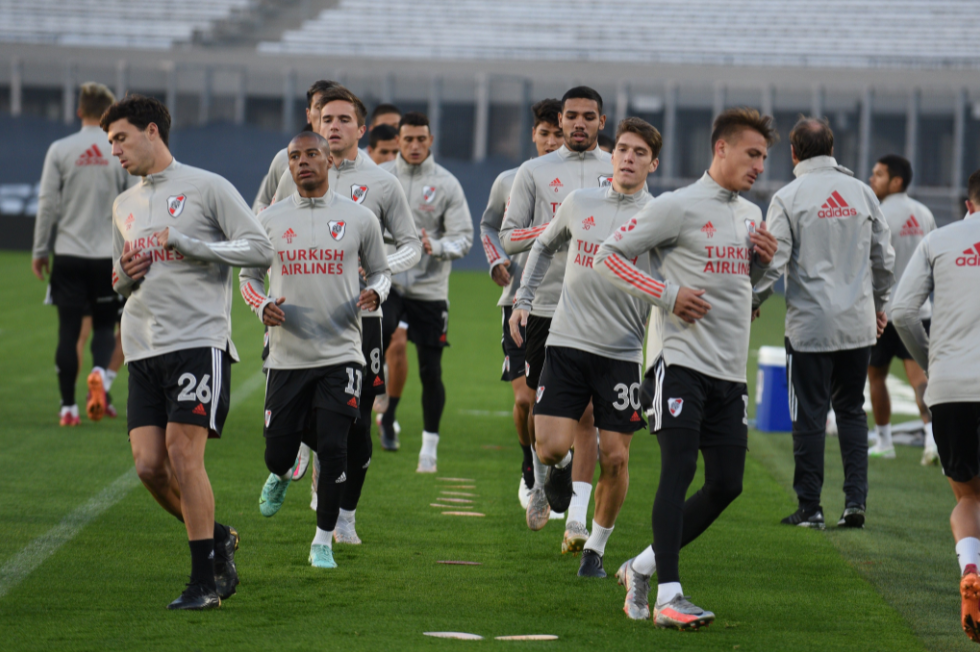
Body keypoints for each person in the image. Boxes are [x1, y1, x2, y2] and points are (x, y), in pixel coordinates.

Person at [595, 108, 778, 628]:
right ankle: (669, 597)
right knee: (679, 468)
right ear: (720, 148)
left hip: (729, 371)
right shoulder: (677, 206)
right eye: (752, 154)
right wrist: (667, 295)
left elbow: (745, 290)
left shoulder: (750, 214)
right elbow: (609, 255)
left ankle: (642, 566)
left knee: (727, 484)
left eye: (763, 156)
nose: (760, 165)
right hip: (677, 363)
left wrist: (762, 264)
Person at [103, 95, 274, 609]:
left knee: (183, 453)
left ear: (151, 131)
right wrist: (122, 278)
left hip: (197, 341)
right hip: (142, 346)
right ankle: (217, 537)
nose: (115, 150)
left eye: (120, 138)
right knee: (150, 467)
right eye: (110, 141)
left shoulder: (207, 186)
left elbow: (260, 248)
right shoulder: (124, 204)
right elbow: (117, 276)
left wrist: (188, 243)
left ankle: (203, 583)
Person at [511, 118, 662, 577]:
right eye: (623, 151)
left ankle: (595, 550)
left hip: (621, 353)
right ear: (611, 157)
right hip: (567, 342)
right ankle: (549, 477)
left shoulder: (661, 215)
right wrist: (524, 300)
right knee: (552, 447)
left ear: (653, 163)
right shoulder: (579, 203)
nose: (629, 159)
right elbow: (541, 246)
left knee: (616, 457)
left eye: (640, 153)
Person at [241, 131, 390, 568]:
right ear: (288, 165)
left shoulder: (360, 217)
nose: (302, 162)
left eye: (311, 154)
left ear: (329, 160)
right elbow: (248, 278)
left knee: (334, 447)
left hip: (342, 352)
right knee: (277, 452)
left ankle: (323, 540)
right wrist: (262, 304)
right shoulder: (268, 219)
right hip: (287, 356)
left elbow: (381, 272)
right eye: (294, 157)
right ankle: (282, 471)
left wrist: (376, 294)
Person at [754, 117, 894, 531]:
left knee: (809, 416)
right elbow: (883, 260)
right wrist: (878, 305)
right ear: (833, 149)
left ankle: (810, 507)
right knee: (852, 410)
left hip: (810, 326)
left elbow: (774, 262)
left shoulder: (788, 196)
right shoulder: (863, 193)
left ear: (794, 153)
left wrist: (751, 300)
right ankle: (855, 504)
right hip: (856, 323)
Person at [299, 87, 421, 535]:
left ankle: (346, 514)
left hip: (362, 318)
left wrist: (381, 270)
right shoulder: (290, 165)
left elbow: (410, 245)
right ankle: (308, 453)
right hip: (302, 312)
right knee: (304, 411)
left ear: (361, 129)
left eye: (344, 120)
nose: (334, 126)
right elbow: (264, 221)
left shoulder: (383, 184)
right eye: (326, 118)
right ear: (315, 122)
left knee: (358, 416)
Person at [500, 86, 611, 549]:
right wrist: (557, 228)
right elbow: (508, 238)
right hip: (544, 307)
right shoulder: (534, 172)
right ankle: (549, 472)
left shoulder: (617, 169)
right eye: (572, 116)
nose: (580, 123)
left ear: (602, 121)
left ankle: (577, 520)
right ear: (560, 122)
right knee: (545, 425)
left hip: (600, 308)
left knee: (588, 415)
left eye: (589, 116)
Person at [891, 169, 980, 644]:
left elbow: (903, 311)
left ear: (968, 204)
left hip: (950, 388)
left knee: (969, 497)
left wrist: (934, 364)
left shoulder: (940, 239)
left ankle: (971, 567)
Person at [32, 82, 132, 426]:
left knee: (69, 331)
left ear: (79, 112)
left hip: (69, 254)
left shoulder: (60, 149)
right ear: (109, 113)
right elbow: (133, 202)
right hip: (107, 256)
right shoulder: (118, 150)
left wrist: (40, 250)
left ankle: (67, 408)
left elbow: (47, 204)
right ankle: (99, 381)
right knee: (106, 327)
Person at [480, 98, 563, 509]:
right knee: (524, 399)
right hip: (517, 302)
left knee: (563, 404)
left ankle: (558, 468)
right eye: (544, 133)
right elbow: (489, 225)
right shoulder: (510, 180)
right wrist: (497, 258)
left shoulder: (583, 184)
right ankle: (530, 468)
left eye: (558, 134)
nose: (551, 141)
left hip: (567, 304)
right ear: (533, 135)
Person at [379, 111, 473, 473]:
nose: (415, 146)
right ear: (398, 141)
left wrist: (437, 245)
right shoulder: (381, 178)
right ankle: (378, 402)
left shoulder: (447, 184)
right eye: (408, 140)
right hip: (389, 280)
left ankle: (428, 447)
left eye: (421, 139)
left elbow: (463, 237)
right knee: (383, 335)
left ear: (431, 141)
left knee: (431, 371)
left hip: (431, 288)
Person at [866, 154, 937, 463]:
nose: (872, 179)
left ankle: (884, 442)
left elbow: (869, 263)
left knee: (876, 376)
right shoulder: (924, 214)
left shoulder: (877, 214)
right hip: (919, 312)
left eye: (878, 175)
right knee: (920, 378)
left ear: (896, 181)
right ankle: (933, 442)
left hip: (883, 312)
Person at [252, 80, 338, 215]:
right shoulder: (283, 159)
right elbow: (262, 202)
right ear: (308, 115)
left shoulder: (355, 162)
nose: (325, 114)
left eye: (330, 107)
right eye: (319, 107)